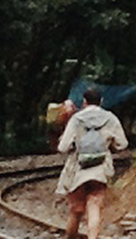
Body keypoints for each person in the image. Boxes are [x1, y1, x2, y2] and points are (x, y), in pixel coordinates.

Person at [54, 84, 128, 239]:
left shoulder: (76, 119)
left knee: (76, 210)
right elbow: (122, 144)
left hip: (77, 169)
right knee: (94, 207)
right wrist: (109, 144)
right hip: (100, 169)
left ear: (84, 102)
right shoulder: (110, 118)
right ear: (100, 101)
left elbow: (63, 147)